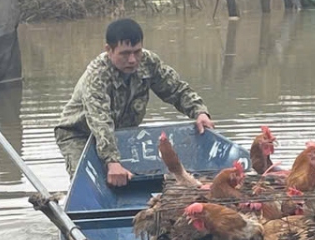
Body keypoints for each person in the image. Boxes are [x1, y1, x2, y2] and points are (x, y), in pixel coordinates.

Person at [54, 18, 215, 186]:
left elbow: (175, 89)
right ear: (109, 50)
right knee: (89, 184)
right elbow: (100, 121)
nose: (132, 60)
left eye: (136, 52)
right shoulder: (96, 76)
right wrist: (112, 162)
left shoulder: (148, 62)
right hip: (79, 134)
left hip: (121, 133)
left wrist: (200, 112)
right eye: (124, 54)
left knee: (132, 178)